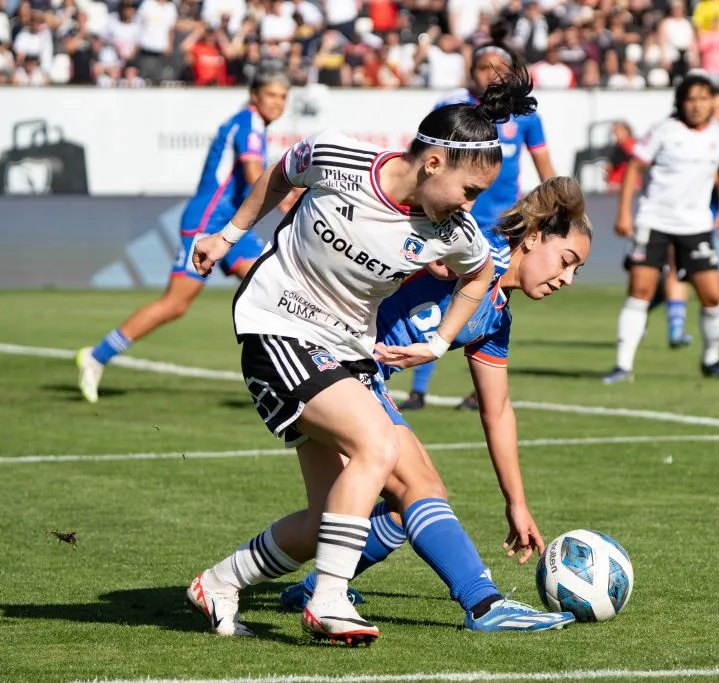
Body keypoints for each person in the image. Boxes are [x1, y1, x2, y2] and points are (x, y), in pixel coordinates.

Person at [185, 65, 538, 645]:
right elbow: (279, 175)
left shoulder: (455, 231)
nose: (471, 205)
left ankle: (220, 582)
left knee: (327, 521)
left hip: (343, 351)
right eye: (469, 190)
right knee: (380, 443)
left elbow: (477, 276)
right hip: (276, 325)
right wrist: (228, 235)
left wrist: (440, 340)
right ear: (432, 164)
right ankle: (328, 601)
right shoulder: (338, 157)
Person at [268, 177, 591, 634]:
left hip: (354, 374)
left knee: (398, 509)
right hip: (328, 361)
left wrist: (516, 503)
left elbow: (496, 411)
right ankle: (484, 605)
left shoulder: (495, 317)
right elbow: (421, 227)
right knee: (419, 487)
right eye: (566, 261)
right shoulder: (480, 253)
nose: (567, 278)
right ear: (534, 237)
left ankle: (309, 585)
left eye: (576, 270)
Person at [76, 69, 292, 403]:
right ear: (255, 96)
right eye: (272, 95)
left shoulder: (249, 123)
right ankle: (97, 356)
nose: (278, 103)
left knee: (273, 287)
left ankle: (287, 377)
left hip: (231, 225)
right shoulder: (248, 123)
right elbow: (253, 174)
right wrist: (286, 201)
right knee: (176, 304)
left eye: (283, 97)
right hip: (208, 224)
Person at [398, 21, 555, 414]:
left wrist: (555, 211)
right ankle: (418, 385)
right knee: (432, 293)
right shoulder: (454, 109)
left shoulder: (526, 118)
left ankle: (481, 386)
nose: (491, 75)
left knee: (491, 302)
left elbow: (544, 165)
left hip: (503, 226)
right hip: (452, 219)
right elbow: (422, 153)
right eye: (484, 67)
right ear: (472, 71)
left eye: (498, 69)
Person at [603, 73, 719, 384]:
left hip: (695, 226)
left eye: (703, 99)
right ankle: (623, 366)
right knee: (640, 291)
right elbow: (634, 167)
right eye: (691, 99)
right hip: (654, 221)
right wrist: (624, 212)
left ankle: (711, 359)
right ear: (680, 102)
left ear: (712, 103)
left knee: (713, 295)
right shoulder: (663, 131)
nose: (696, 105)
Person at [645, 85, 719, 351]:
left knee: (691, 277)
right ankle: (675, 328)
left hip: (705, 219)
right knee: (677, 269)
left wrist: (710, 175)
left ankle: (647, 303)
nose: (716, 113)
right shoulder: (678, 134)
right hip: (674, 215)